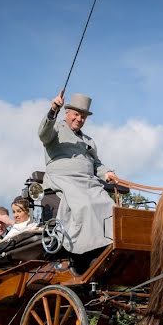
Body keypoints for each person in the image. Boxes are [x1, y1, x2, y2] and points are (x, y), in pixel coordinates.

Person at [38, 91, 119, 254]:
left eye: (83, 117)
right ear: (67, 112)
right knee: (85, 205)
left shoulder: (89, 141)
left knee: (111, 207)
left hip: (89, 183)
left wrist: (107, 173)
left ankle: (110, 247)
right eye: (76, 114)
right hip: (64, 180)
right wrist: (53, 110)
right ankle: (86, 250)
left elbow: (97, 164)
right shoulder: (55, 129)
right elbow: (43, 134)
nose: (79, 119)